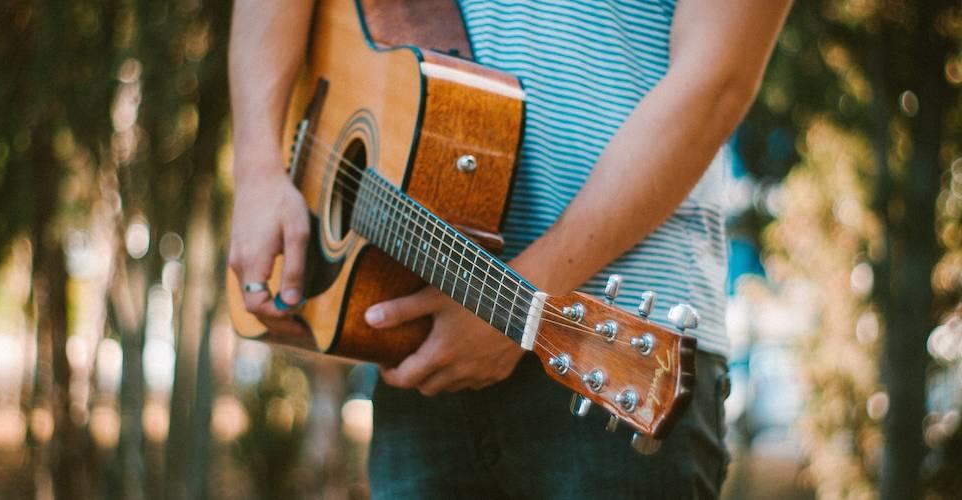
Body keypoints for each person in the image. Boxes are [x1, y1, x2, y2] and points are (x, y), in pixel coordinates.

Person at [228, 0, 791, 497]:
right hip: (420, 331)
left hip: (613, 352)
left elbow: (717, 79)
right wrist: (257, 166)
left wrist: (526, 296)